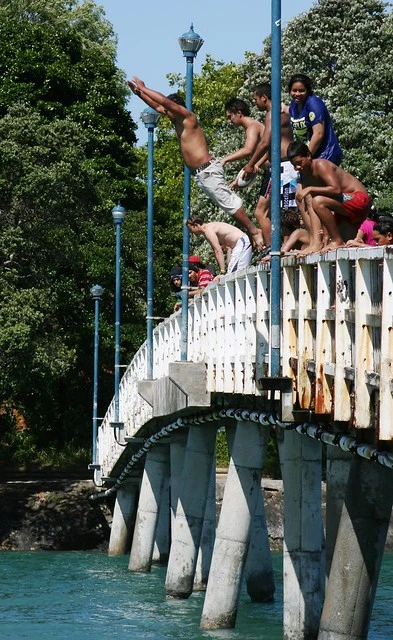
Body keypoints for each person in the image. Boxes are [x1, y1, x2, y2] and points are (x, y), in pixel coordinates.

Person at [128, 77, 264, 251]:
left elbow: (162, 102)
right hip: (201, 174)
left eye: (168, 110)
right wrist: (139, 93)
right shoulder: (177, 120)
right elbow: (158, 106)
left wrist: (144, 87)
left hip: (207, 170)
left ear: (175, 108)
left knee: (228, 202)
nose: (164, 114)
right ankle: (252, 230)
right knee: (226, 204)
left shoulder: (188, 117)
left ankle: (254, 231)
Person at [288, 73, 343, 254]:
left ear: (308, 90)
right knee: (299, 195)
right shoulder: (293, 107)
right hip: (307, 158)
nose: (297, 94)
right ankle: (314, 239)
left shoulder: (314, 104)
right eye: (294, 91)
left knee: (311, 196)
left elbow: (318, 134)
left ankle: (319, 241)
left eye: (301, 91)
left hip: (323, 155)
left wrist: (305, 156)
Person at [241, 83, 298, 250]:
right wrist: (255, 165)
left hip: (285, 166)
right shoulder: (276, 114)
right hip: (278, 166)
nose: (255, 103)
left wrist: (250, 165)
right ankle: (272, 247)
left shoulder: (272, 114)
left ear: (264, 98)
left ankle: (284, 247)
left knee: (288, 212)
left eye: (256, 99)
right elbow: (271, 146)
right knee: (262, 212)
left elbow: (265, 143)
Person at [287, 141, 371, 253]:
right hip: (342, 209)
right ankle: (316, 243)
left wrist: (310, 188)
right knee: (348, 246)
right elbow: (314, 209)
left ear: (308, 155)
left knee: (316, 200)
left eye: (299, 163)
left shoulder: (321, 165)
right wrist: (324, 236)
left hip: (359, 199)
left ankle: (337, 240)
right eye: (294, 165)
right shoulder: (305, 175)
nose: (297, 167)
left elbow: (336, 190)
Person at [220, 97, 268, 188]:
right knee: (262, 203)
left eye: (230, 117)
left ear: (239, 113)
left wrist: (225, 160)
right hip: (270, 171)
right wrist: (237, 181)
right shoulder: (250, 128)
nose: (229, 121)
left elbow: (247, 150)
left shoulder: (253, 127)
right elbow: (262, 155)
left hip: (278, 170)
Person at [186, 216, 253, 274]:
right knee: (232, 272)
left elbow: (218, 250)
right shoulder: (207, 231)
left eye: (190, 229)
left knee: (234, 272)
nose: (191, 232)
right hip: (237, 245)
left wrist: (222, 271)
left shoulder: (208, 230)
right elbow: (220, 251)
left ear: (196, 225)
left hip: (242, 242)